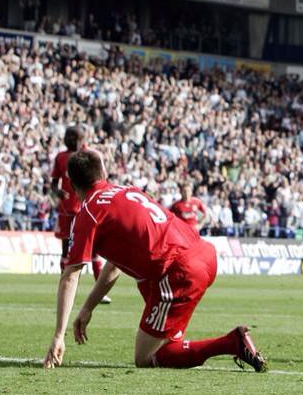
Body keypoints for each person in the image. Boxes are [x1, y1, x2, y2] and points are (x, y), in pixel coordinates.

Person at [42, 149, 268, 372]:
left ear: (71, 184)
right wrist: (87, 308)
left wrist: (58, 336)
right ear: (102, 173)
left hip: (180, 271)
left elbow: (71, 276)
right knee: (144, 279)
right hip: (204, 254)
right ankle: (172, 336)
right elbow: (113, 268)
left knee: (145, 357)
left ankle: (232, 343)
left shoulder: (88, 212)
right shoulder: (126, 189)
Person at [49, 126, 110, 304]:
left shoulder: (92, 156)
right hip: (67, 210)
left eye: (72, 136)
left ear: (81, 138)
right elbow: (53, 183)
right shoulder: (60, 157)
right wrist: (58, 192)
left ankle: (100, 291)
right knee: (66, 249)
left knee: (95, 249)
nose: (68, 139)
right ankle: (64, 287)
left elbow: (102, 179)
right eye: (66, 135)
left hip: (87, 208)